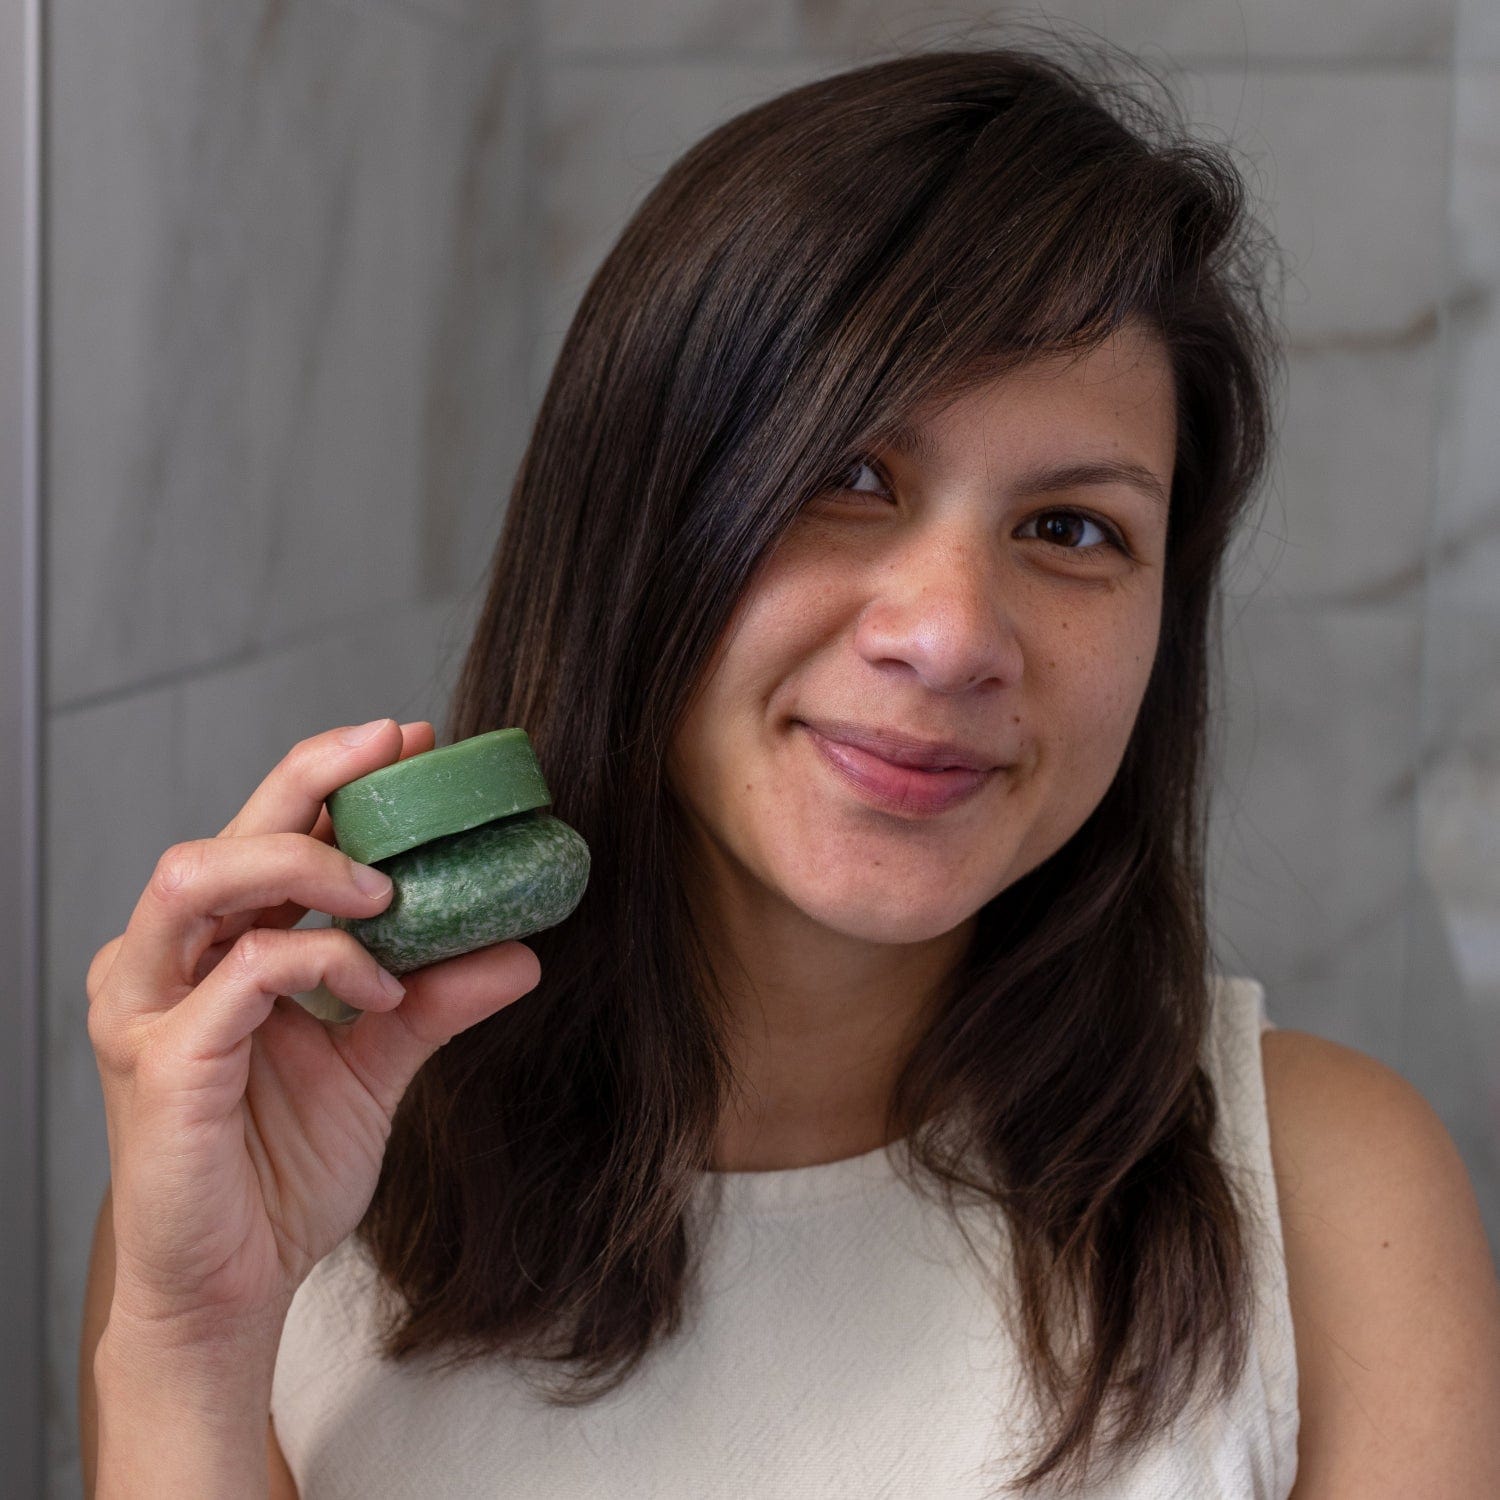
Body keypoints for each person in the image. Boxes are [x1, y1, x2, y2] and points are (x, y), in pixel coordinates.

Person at [78, 38, 1500, 1500]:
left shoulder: (1332, 1209)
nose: (951, 638)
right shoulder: (273, 1188)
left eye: (1074, 530)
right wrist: (189, 1340)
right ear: (633, 521)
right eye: (849, 475)